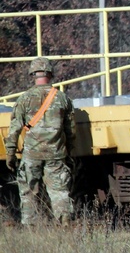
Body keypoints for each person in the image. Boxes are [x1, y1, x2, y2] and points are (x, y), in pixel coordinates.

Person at [4, 58, 76, 225]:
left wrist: (10, 153)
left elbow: (14, 129)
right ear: (50, 74)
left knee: (29, 191)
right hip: (56, 154)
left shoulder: (24, 99)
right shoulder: (62, 98)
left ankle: (31, 226)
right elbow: (71, 130)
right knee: (59, 191)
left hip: (31, 155)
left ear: (32, 75)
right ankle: (65, 222)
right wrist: (69, 152)